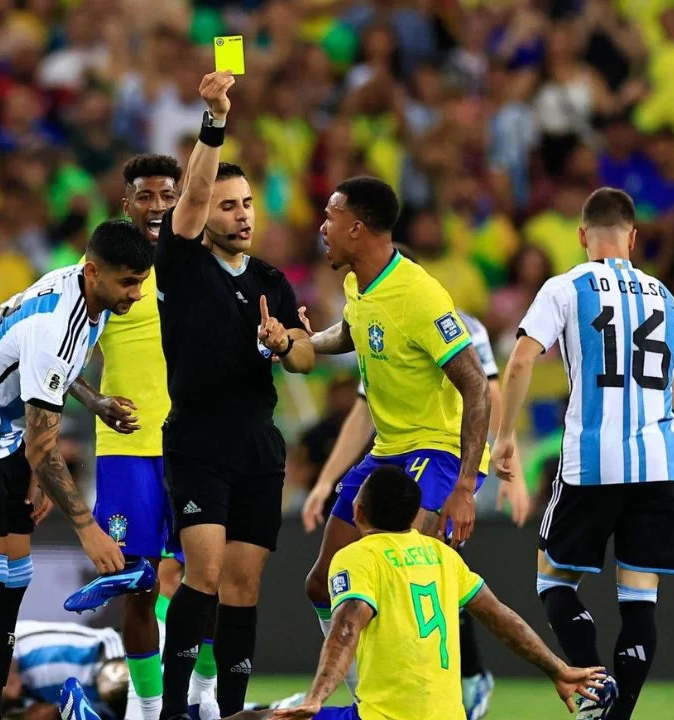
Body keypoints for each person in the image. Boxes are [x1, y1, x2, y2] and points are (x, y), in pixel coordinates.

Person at [0, 218, 153, 720]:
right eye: (127, 282)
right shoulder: (54, 324)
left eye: (140, 281)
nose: (135, 293)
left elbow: (54, 373)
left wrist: (96, 400)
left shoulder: (90, 298)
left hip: (5, 435)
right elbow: (44, 444)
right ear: (93, 272)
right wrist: (87, 529)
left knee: (16, 574)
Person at [298, 243, 528, 720]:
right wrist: (327, 481)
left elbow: (485, 391)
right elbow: (365, 409)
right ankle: (367, 693)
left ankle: (457, 681)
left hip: (442, 452)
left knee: (410, 571)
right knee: (322, 583)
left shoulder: (448, 318)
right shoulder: (368, 303)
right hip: (390, 450)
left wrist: (497, 465)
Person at [155, 70, 317, 720]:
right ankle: (171, 709)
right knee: (205, 575)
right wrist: (214, 119)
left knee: (244, 585)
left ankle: (229, 710)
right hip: (197, 440)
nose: (241, 214)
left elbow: (305, 357)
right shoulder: (183, 263)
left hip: (257, 442)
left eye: (247, 203)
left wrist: (282, 344)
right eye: (229, 206)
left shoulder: (273, 280)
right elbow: (192, 191)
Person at [492, 187, 674, 720]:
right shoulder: (665, 298)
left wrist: (505, 436)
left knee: (553, 579)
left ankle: (595, 695)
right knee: (639, 599)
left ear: (582, 236)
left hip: (592, 461)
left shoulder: (566, 286)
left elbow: (520, 362)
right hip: (658, 466)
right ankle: (616, 715)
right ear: (634, 237)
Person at [234, 466, 604, 720]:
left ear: (358, 511)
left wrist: (317, 696)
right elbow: (502, 618)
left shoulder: (356, 556)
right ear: (413, 516)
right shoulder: (443, 555)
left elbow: (346, 627)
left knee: (254, 719)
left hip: (384, 717)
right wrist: (557, 668)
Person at [67, 153, 218, 720]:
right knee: (139, 583)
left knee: (207, 579)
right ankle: (146, 706)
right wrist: (95, 401)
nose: (157, 206)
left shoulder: (197, 261)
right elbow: (57, 354)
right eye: (145, 196)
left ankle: (203, 698)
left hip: (193, 444)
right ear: (125, 202)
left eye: (167, 196)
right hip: (129, 450)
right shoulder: (101, 269)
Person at [3, 621, 129, 720]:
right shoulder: (19, 706)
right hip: (108, 709)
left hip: (110, 656)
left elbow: (10, 689)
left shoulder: (3, 636)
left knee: (113, 683)